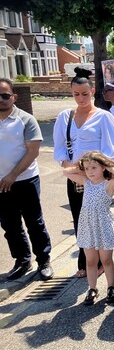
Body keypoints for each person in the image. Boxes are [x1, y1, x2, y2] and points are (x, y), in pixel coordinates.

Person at [53, 67, 114, 278]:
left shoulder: (103, 117)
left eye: (84, 93)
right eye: (75, 94)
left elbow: (110, 149)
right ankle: (86, 261)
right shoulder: (65, 116)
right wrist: (67, 166)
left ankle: (102, 261)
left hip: (97, 176)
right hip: (75, 177)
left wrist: (96, 168)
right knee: (80, 218)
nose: (80, 98)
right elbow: (60, 146)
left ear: (92, 92)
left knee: (98, 217)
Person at [0, 78, 54, 281]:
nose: (2, 100)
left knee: (34, 222)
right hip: (0, 184)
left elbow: (33, 151)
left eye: (5, 95)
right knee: (10, 224)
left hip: (25, 180)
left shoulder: (25, 120)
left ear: (13, 97)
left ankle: (43, 260)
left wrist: (12, 175)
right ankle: (22, 260)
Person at [63, 151, 114, 305]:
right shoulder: (86, 182)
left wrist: (107, 165)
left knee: (106, 260)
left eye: (94, 168)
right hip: (88, 226)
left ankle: (111, 286)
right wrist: (82, 164)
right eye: (87, 168)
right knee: (91, 261)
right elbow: (66, 171)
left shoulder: (108, 184)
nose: (90, 171)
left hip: (103, 225)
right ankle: (92, 288)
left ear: (102, 167)